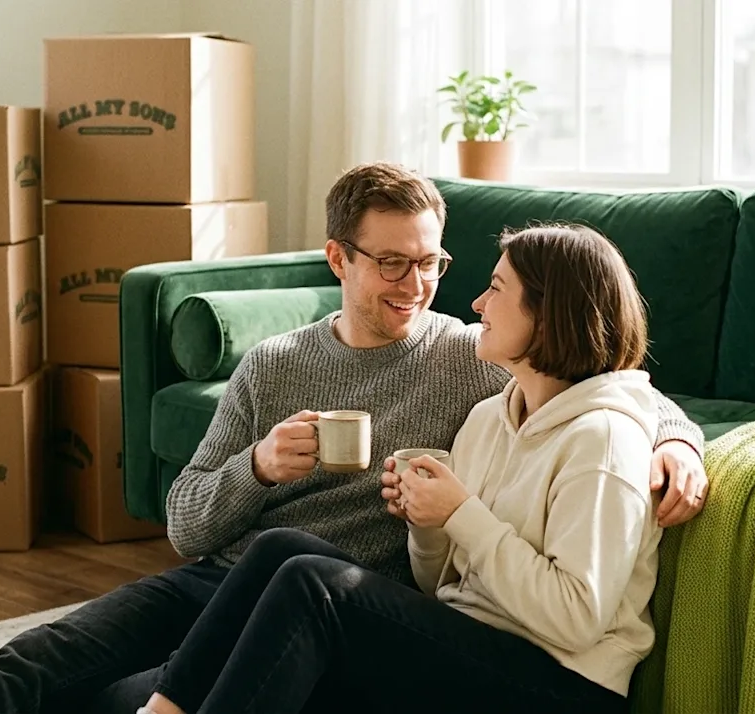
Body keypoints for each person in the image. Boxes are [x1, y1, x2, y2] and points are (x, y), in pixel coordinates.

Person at [0, 162, 708, 713]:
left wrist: (678, 443)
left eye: (431, 262)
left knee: (118, 694)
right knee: (46, 655)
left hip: (336, 603)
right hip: (231, 577)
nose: (420, 287)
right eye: (392, 263)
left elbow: (606, 382)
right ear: (338, 259)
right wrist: (257, 467)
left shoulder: (471, 362)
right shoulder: (277, 365)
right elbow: (185, 523)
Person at [136, 222, 662, 714]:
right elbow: (438, 585)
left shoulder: (603, 442)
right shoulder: (489, 418)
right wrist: (426, 525)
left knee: (314, 585)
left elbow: (575, 620)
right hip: (473, 642)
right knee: (282, 549)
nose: (478, 303)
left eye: (497, 289)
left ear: (547, 315)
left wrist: (462, 514)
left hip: (561, 682)